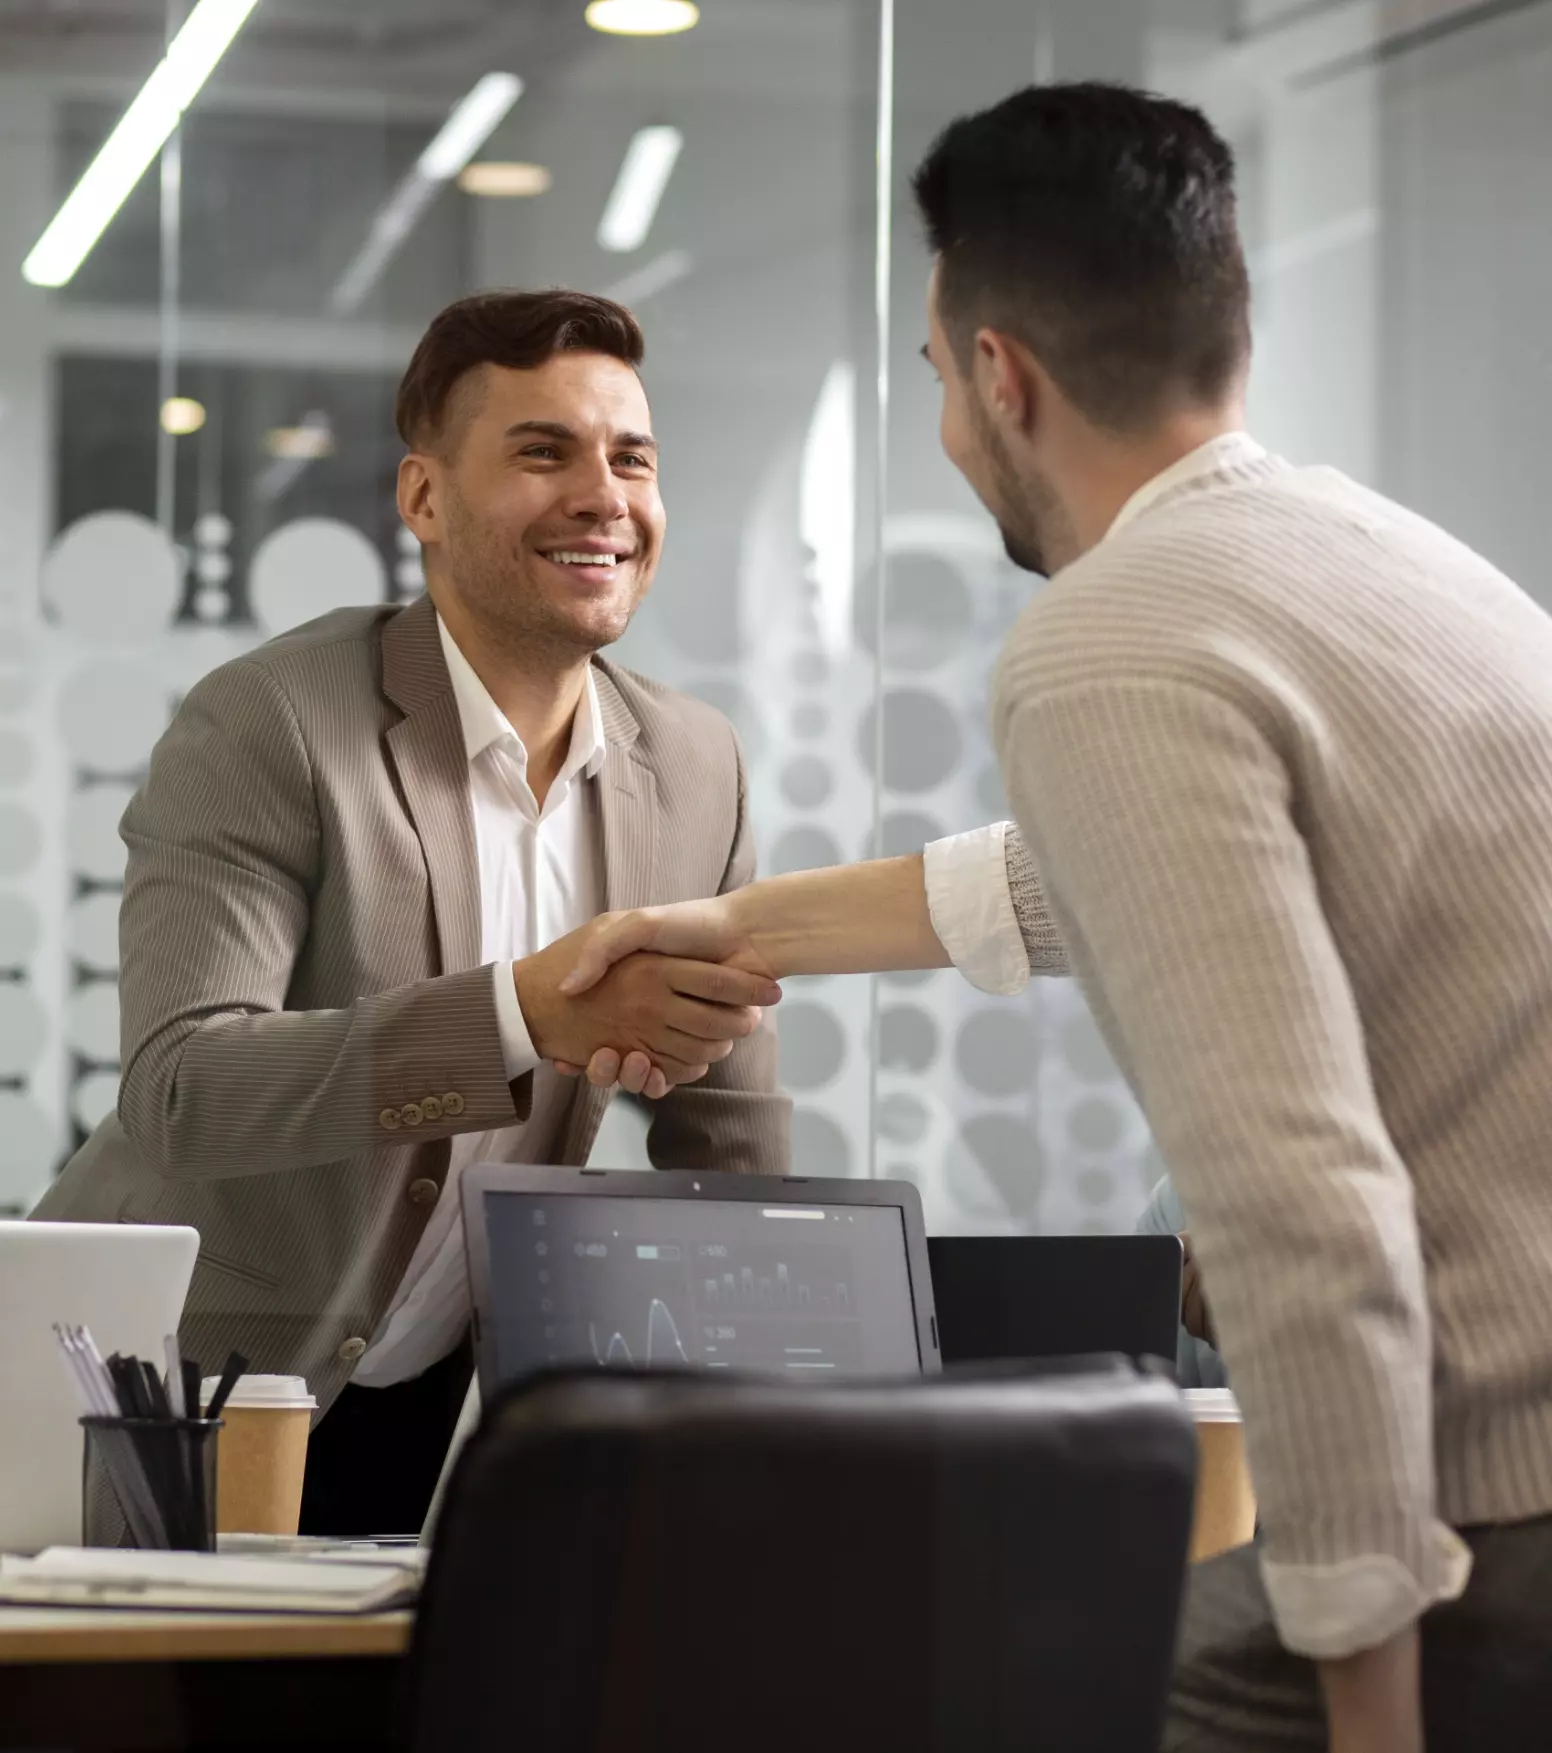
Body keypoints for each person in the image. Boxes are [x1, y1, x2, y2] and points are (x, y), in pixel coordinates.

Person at [552, 84, 1552, 1750]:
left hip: (1492, 1530)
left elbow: (1295, 1198)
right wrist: (741, 928)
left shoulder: (1112, 638)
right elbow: (1099, 873)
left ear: (1001, 374)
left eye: (941, 381)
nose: (950, 426)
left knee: (968, 1683)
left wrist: (1366, 1696)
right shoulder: (1399, 566)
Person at [32, 290, 792, 1536]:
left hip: (424, 1400)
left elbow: (730, 1131)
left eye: (631, 458)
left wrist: (780, 1419)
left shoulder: (694, 764)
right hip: (163, 1389)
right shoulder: (274, 720)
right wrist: (518, 1013)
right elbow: (183, 1085)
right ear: (424, 499)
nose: (603, 495)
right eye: (542, 451)